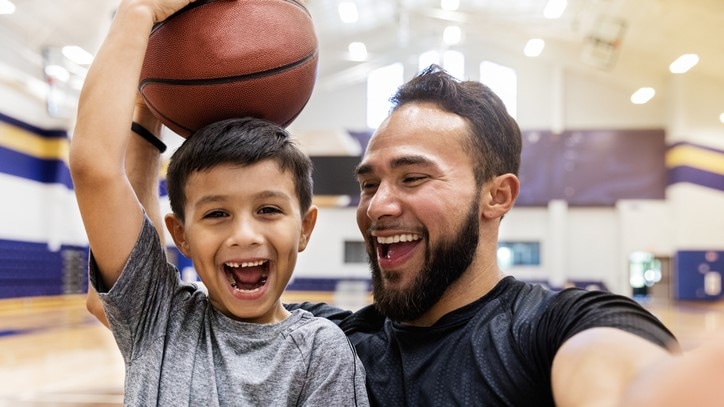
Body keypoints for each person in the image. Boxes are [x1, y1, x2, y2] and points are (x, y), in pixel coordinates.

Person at [86, 54, 724, 405]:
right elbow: (130, 285)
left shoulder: (552, 327)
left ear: (496, 197)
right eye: (369, 183)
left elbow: (620, 376)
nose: (378, 205)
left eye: (413, 178)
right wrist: (151, 122)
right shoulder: (329, 339)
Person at [70, 0, 369, 405]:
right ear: (182, 235)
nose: (244, 235)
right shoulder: (159, 318)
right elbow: (95, 166)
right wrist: (138, 13)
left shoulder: (321, 351)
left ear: (305, 227)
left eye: (268, 209)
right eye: (216, 214)